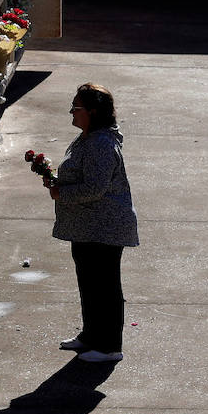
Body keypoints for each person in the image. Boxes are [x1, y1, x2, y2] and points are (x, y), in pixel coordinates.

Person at [48, 83, 138, 363]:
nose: (71, 113)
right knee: (89, 282)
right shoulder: (89, 137)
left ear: (93, 112)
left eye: (76, 108)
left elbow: (95, 188)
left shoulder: (100, 144)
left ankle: (109, 347)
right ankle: (90, 336)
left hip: (105, 227)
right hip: (89, 226)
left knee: (105, 287)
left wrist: (61, 192)